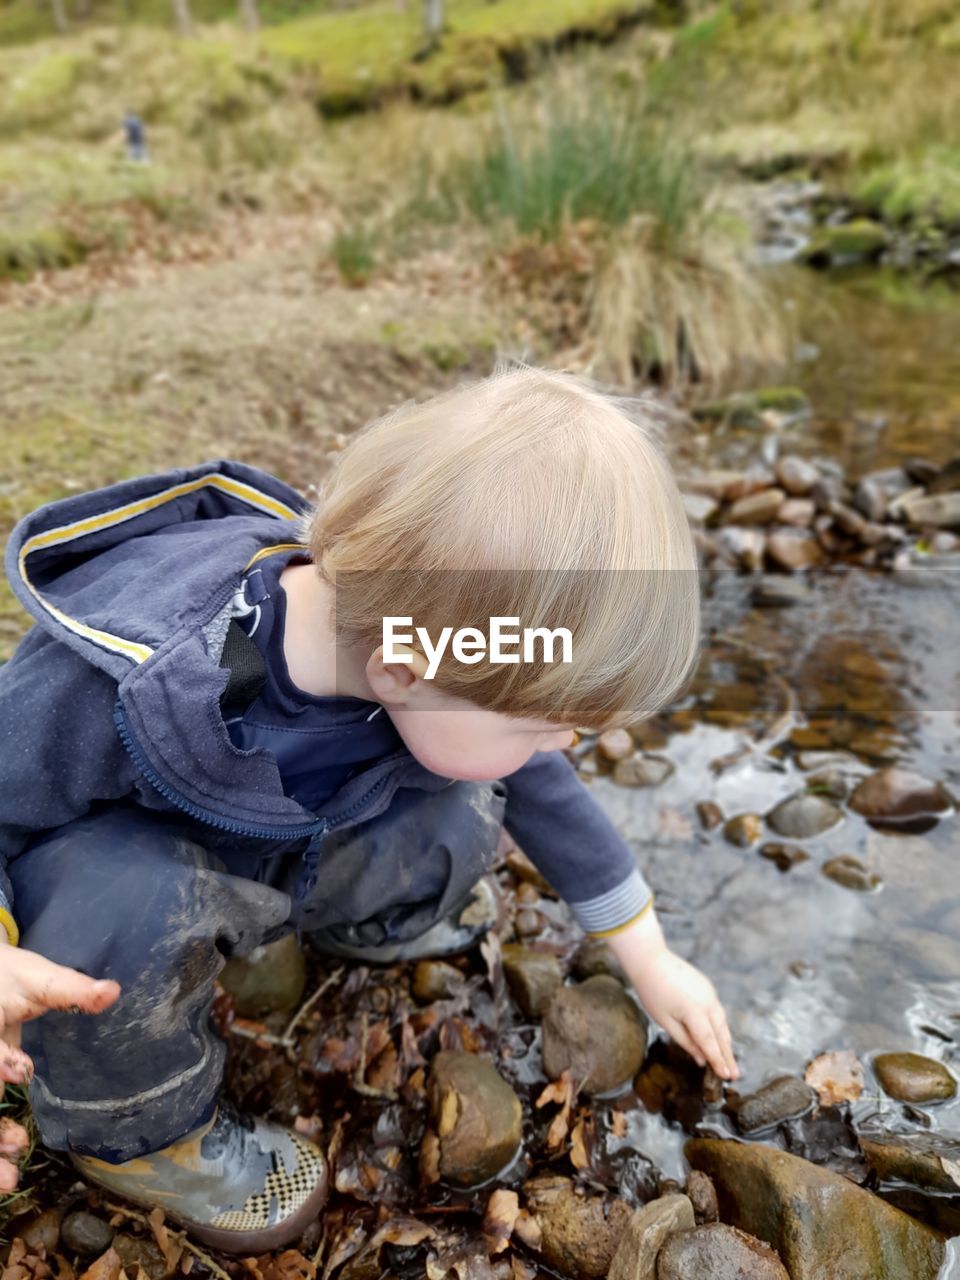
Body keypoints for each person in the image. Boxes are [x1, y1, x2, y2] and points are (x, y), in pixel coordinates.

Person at [0, 366, 737, 1252]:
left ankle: (349, 923)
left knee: (474, 802)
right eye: (544, 724)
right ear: (402, 671)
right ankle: (135, 1131)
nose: (565, 746)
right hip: (128, 889)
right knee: (122, 902)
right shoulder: (127, 682)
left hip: (280, 838)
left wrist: (648, 956)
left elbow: (545, 788)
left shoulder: (421, 654)